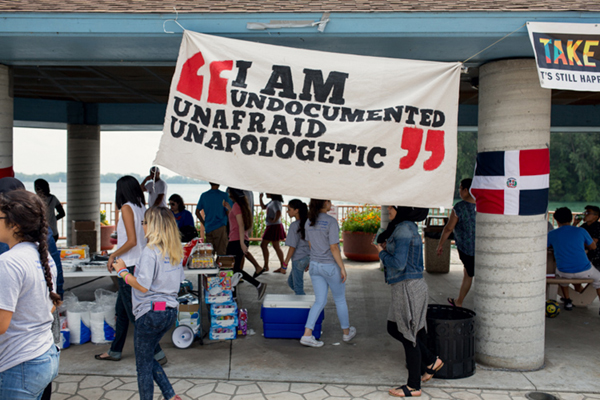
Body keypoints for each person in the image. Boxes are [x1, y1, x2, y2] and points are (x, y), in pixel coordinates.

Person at [113, 207, 184, 400]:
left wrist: (122, 272)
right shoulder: (175, 251)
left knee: (142, 366)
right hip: (169, 312)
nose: (142, 226)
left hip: (151, 313)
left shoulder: (150, 251)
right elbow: (179, 283)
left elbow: (143, 286)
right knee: (147, 357)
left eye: (144, 222)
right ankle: (170, 395)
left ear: (153, 226)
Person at [95, 176, 166, 365]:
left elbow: (132, 240)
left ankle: (157, 353)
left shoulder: (126, 208)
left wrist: (112, 255)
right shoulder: (142, 208)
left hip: (129, 265)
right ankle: (115, 350)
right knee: (123, 310)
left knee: (136, 313)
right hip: (140, 263)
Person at [375, 206, 443, 397]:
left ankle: (414, 385)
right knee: (401, 329)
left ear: (401, 209)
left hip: (408, 286)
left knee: (408, 333)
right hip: (406, 285)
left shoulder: (404, 229)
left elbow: (398, 263)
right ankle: (429, 363)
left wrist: (380, 253)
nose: (388, 209)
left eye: (392, 206)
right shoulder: (404, 226)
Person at [0, 189, 61, 399]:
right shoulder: (40, 254)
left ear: (15, 224)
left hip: (19, 363)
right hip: (44, 353)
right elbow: (51, 304)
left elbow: (1, 324)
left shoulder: (9, 262)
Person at [300, 199, 355, 347]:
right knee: (339, 299)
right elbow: (334, 247)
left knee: (319, 301)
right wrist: (342, 267)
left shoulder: (308, 222)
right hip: (329, 266)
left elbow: (311, 245)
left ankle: (307, 334)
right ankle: (346, 333)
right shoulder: (330, 222)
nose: (331, 203)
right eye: (329, 201)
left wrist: (312, 261)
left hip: (315, 266)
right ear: (324, 204)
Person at [548, 207, 600, 313]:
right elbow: (594, 247)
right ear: (571, 219)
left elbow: (546, 246)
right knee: (598, 279)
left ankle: (567, 301)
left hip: (564, 272)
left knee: (559, 274)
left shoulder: (552, 234)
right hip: (585, 271)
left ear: (556, 220)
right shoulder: (582, 231)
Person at [436, 178, 476, 308]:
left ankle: (459, 301)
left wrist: (440, 244)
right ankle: (459, 300)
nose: (459, 191)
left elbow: (448, 228)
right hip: (481, 249)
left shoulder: (459, 207)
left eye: (460, 188)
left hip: (466, 249)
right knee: (468, 273)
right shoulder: (482, 206)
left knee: (468, 274)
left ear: (466, 190)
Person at [226, 188, 267, 300]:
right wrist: (228, 208)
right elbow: (236, 219)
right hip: (237, 240)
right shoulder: (238, 206)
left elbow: (241, 225)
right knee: (233, 270)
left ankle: (258, 285)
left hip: (236, 241)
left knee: (233, 269)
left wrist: (241, 243)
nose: (228, 194)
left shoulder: (237, 206)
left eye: (229, 192)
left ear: (233, 194)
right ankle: (233, 296)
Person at [196, 183, 232, 255]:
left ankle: (210, 265)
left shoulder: (204, 195)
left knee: (209, 253)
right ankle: (220, 266)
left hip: (209, 227)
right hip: (220, 226)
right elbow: (229, 212)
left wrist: (204, 223)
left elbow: (197, 212)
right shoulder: (224, 195)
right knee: (222, 252)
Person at [283, 199, 310, 294]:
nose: (287, 211)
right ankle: (305, 301)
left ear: (296, 210)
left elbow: (292, 247)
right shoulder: (308, 223)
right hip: (306, 257)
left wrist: (284, 264)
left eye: (289, 209)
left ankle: (307, 307)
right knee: (291, 282)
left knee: (298, 287)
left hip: (298, 259)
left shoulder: (294, 226)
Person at [259, 193, 286, 273]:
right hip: (273, 226)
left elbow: (278, 212)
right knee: (276, 246)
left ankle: (267, 265)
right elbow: (263, 207)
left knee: (264, 245)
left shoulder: (275, 202)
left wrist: (274, 220)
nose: (266, 193)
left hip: (273, 226)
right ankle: (281, 266)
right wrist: (260, 198)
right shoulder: (272, 202)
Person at [34, 179, 65, 243]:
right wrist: (53, 219)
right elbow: (62, 213)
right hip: (53, 232)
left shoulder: (34, 199)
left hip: (39, 232)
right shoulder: (53, 198)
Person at [573, 205, 600, 272]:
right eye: (585, 212)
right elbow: (572, 237)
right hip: (585, 256)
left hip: (596, 258)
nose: (585, 214)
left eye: (588, 213)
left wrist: (579, 242)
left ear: (595, 217)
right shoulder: (584, 226)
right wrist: (575, 223)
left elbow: (592, 245)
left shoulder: (598, 227)